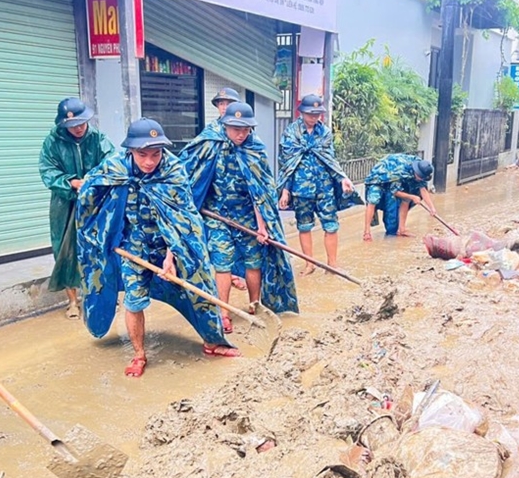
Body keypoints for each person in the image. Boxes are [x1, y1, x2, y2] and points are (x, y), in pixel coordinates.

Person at [76, 118, 239, 378]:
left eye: (156, 154)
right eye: (142, 155)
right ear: (130, 150)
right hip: (132, 246)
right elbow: (89, 192)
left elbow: (182, 218)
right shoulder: (115, 168)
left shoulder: (173, 170)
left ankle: (212, 341)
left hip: (171, 243)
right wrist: (105, 234)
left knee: (199, 284)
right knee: (134, 301)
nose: (150, 162)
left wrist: (171, 256)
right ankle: (139, 354)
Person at [179, 102, 298, 334]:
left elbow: (259, 191)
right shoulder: (209, 144)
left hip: (247, 217)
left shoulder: (255, 149)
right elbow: (188, 176)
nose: (241, 134)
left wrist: (262, 226)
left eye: (246, 129)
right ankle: (223, 312)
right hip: (216, 215)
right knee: (222, 262)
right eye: (236, 129)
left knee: (254, 261)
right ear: (225, 125)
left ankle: (255, 305)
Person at [39, 97, 115, 319]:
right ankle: (72, 301)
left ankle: (104, 294)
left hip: (95, 201)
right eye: (73, 125)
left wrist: (93, 181)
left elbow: (111, 162)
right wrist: (70, 182)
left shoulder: (98, 138)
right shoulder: (53, 141)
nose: (79, 128)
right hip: (65, 202)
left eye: (81, 123)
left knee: (100, 246)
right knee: (65, 249)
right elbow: (47, 170)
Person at [278, 94, 360, 275]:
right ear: (302, 112)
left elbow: (330, 160)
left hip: (324, 188)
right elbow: (287, 165)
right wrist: (285, 191)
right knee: (304, 226)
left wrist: (343, 178)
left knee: (331, 225)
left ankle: (332, 264)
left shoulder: (325, 133)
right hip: (301, 189)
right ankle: (309, 264)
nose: (314, 117)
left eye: (317, 114)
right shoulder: (291, 133)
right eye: (310, 114)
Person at [196, 87, 247, 292]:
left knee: (247, 254)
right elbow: (194, 166)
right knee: (221, 257)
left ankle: (249, 295)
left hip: (242, 209)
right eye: (221, 103)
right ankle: (223, 308)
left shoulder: (247, 136)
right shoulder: (209, 135)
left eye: (229, 103)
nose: (224, 107)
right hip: (215, 208)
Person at [362, 154, 437, 241]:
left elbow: (423, 189)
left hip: (396, 177)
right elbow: (395, 191)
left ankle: (402, 230)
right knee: (373, 198)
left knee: (406, 197)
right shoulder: (401, 171)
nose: (421, 179)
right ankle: (367, 232)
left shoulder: (422, 167)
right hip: (379, 177)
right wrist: (413, 197)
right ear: (416, 172)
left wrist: (432, 208)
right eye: (420, 177)